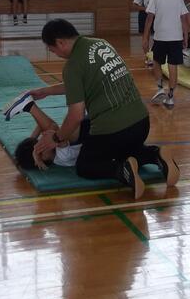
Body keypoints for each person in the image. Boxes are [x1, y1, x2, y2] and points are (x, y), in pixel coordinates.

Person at [32, 19, 180, 199]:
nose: (55, 54)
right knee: (121, 149)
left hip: (114, 130)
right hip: (141, 123)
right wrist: (46, 91)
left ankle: (122, 170)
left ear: (60, 42)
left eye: (52, 49)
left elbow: (76, 115)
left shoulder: (73, 66)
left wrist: (56, 138)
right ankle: (155, 155)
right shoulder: (100, 43)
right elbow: (83, 82)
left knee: (86, 165)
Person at [143, 0, 190, 109]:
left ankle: (160, 88)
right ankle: (170, 97)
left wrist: (145, 37)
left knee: (157, 61)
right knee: (173, 65)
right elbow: (184, 18)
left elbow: (149, 18)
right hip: (176, 37)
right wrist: (185, 36)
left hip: (161, 37)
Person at [4, 94, 85, 170]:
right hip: (87, 134)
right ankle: (29, 106)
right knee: (62, 135)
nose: (42, 145)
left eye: (38, 144)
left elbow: (42, 127)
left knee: (52, 134)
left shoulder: (51, 152)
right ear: (42, 160)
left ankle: (29, 106)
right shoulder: (62, 158)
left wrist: (32, 140)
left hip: (84, 127)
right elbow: (59, 137)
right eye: (40, 152)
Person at [133, 0, 157, 67]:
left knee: (157, 37)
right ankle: (147, 57)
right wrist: (145, 8)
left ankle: (155, 55)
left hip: (155, 16)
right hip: (144, 15)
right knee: (145, 37)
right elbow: (135, 5)